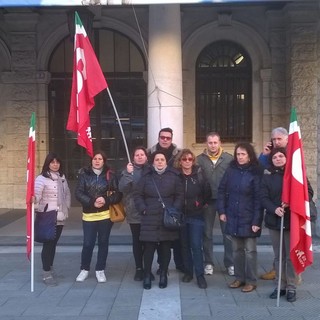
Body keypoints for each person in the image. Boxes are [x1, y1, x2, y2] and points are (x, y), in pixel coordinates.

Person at [217, 142, 263, 293]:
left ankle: (251, 281)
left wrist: (257, 221)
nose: (240, 157)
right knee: (236, 250)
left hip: (249, 218)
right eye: (238, 154)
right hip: (233, 216)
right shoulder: (231, 170)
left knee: (250, 251)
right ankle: (239, 278)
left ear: (249, 156)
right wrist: (222, 211)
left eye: (243, 154)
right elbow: (222, 190)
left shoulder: (256, 172)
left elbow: (258, 199)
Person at [134, 151, 184, 290]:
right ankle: (147, 275)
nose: (160, 162)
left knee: (165, 247)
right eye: (157, 159)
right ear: (153, 162)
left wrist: (174, 209)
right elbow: (137, 194)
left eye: (162, 159)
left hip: (166, 217)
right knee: (149, 247)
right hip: (149, 216)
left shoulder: (174, 176)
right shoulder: (146, 176)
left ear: (166, 162)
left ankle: (163, 273)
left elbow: (180, 195)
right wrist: (143, 208)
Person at [75, 151, 122, 283]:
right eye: (95, 158)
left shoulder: (110, 175)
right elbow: (78, 193)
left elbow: (118, 194)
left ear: (104, 161)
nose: (97, 161)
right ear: (91, 160)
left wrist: (105, 200)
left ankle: (100, 270)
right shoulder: (84, 174)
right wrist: (91, 201)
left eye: (100, 159)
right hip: (89, 215)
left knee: (103, 243)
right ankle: (84, 269)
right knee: (88, 243)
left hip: (105, 215)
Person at [260, 148, 297, 301]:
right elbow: (263, 197)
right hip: (274, 220)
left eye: (281, 156)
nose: (278, 159)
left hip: (291, 221)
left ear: (287, 158)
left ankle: (291, 287)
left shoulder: (295, 175)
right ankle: (280, 285)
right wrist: (274, 208)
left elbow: (307, 192)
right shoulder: (267, 176)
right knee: (278, 256)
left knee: (290, 256)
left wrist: (292, 202)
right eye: (275, 157)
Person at [196, 132, 234, 276]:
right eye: (210, 142)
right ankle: (208, 263)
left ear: (220, 143)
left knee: (228, 233)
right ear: (206, 143)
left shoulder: (229, 159)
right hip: (207, 202)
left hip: (225, 201)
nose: (213, 145)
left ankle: (230, 263)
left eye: (215, 142)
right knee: (207, 233)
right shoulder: (199, 159)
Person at [147, 127, 184, 273]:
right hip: (155, 202)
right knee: (158, 238)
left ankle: (179, 264)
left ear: (172, 139)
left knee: (175, 237)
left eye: (168, 138)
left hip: (174, 200)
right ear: (158, 137)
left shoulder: (180, 153)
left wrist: (176, 206)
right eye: (162, 137)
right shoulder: (149, 153)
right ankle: (161, 266)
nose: (165, 140)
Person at [174, 149, 211, 289]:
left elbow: (207, 191)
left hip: (196, 215)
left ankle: (200, 275)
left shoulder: (199, 174)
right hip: (181, 215)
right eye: (184, 159)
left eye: (190, 159)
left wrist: (200, 204)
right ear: (180, 161)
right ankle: (188, 272)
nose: (187, 162)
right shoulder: (176, 175)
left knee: (196, 245)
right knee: (184, 245)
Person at [34, 152, 71, 286]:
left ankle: (50, 267)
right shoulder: (41, 178)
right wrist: (33, 200)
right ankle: (46, 273)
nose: (55, 165)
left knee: (54, 244)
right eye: (52, 162)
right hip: (47, 215)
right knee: (48, 244)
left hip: (60, 215)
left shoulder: (62, 177)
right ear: (48, 163)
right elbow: (36, 196)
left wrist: (66, 208)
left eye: (57, 162)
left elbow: (67, 194)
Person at [258, 127, 288, 281]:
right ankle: (277, 270)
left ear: (286, 140)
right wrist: (264, 155)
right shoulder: (270, 155)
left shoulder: (291, 155)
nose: (276, 142)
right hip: (274, 208)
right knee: (278, 249)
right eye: (274, 139)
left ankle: (292, 277)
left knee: (290, 248)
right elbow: (258, 170)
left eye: (279, 139)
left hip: (290, 211)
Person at [119, 146, 152, 281]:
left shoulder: (151, 170)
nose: (139, 157)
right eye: (137, 155)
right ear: (133, 158)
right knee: (137, 241)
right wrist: (127, 174)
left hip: (150, 211)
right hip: (134, 212)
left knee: (149, 241)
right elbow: (122, 188)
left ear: (146, 157)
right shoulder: (128, 171)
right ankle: (139, 268)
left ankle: (148, 268)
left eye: (142, 154)